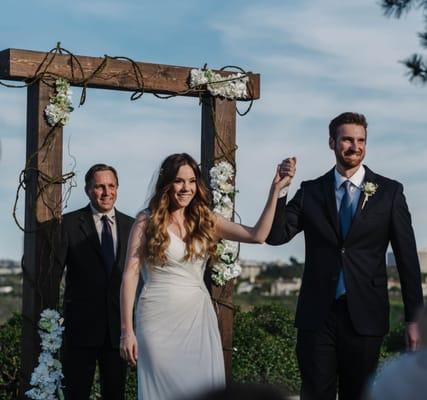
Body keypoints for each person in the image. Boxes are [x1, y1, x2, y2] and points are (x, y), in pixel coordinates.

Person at [266, 112, 423, 400]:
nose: (355, 146)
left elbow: (407, 260)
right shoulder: (310, 191)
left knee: (359, 395)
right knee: (315, 393)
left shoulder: (390, 193)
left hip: (366, 315)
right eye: (348, 139)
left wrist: (414, 318)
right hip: (317, 315)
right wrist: (281, 188)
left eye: (361, 140)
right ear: (332, 142)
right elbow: (276, 236)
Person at [120, 153, 288, 400]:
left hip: (197, 320)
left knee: (199, 388)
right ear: (167, 184)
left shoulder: (205, 219)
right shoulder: (147, 221)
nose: (186, 188)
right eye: (179, 181)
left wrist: (275, 191)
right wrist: (127, 331)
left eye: (191, 181)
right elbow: (130, 277)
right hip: (156, 320)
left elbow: (257, 235)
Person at [59, 164, 135, 400]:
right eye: (99, 186)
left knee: (115, 395)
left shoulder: (132, 226)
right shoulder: (69, 224)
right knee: (75, 394)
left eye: (111, 186)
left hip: (118, 331)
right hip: (80, 329)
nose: (106, 192)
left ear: (117, 188)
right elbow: (53, 274)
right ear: (87, 190)